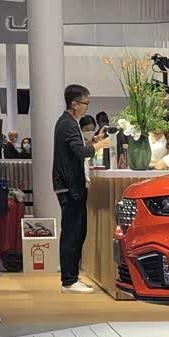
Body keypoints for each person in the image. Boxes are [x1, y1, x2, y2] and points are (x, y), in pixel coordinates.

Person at [53, 83, 110, 294]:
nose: (87, 107)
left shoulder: (68, 122)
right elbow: (80, 152)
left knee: (76, 231)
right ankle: (69, 280)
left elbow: (75, 148)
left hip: (70, 185)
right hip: (69, 186)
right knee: (72, 233)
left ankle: (71, 277)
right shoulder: (68, 124)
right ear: (75, 104)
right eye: (85, 103)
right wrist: (100, 145)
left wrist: (94, 140)